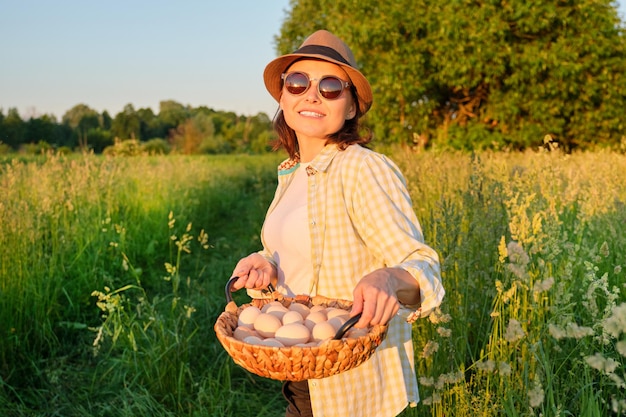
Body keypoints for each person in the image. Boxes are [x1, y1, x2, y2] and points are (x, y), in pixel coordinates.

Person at [230, 29, 444, 417]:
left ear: (350, 108)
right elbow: (307, 258)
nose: (311, 95)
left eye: (330, 87)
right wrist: (267, 264)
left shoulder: (361, 168)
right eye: (297, 83)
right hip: (301, 371)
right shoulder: (293, 173)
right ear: (283, 97)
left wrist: (389, 279)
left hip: (351, 387)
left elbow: (423, 266)